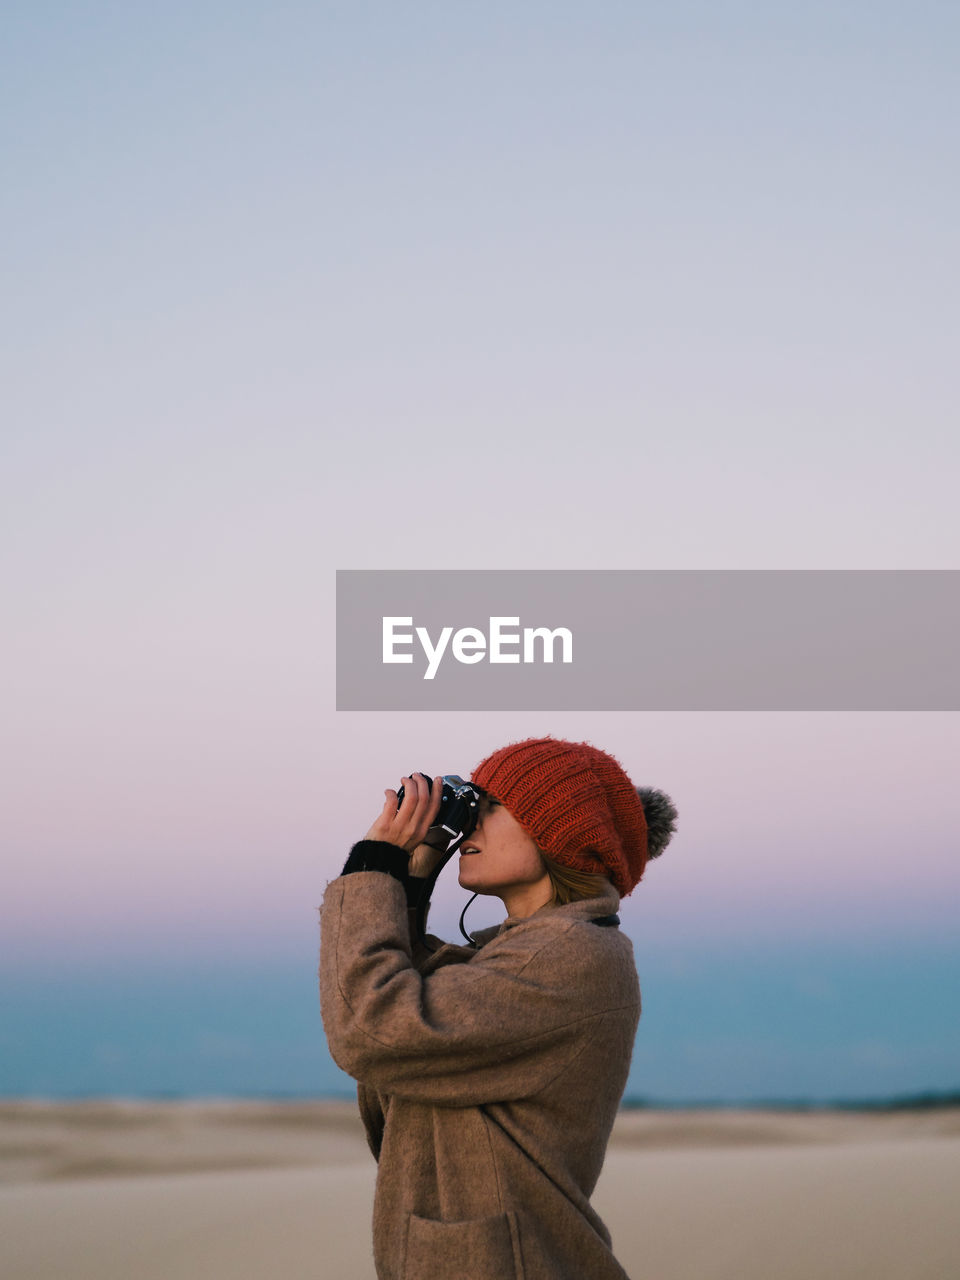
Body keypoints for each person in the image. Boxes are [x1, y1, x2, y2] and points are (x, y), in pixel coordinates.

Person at [318, 736, 677, 1280]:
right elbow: (416, 1013)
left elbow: (376, 1029)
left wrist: (375, 863)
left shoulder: (567, 955)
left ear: (559, 832)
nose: (469, 828)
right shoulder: (523, 952)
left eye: (490, 810)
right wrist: (414, 873)